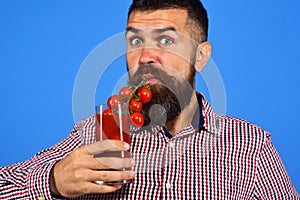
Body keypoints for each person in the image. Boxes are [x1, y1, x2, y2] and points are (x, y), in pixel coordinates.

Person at [0, 0, 299, 199]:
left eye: (166, 40)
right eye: (135, 41)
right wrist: (53, 182)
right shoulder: (95, 134)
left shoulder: (252, 146)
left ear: (200, 55)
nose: (145, 56)